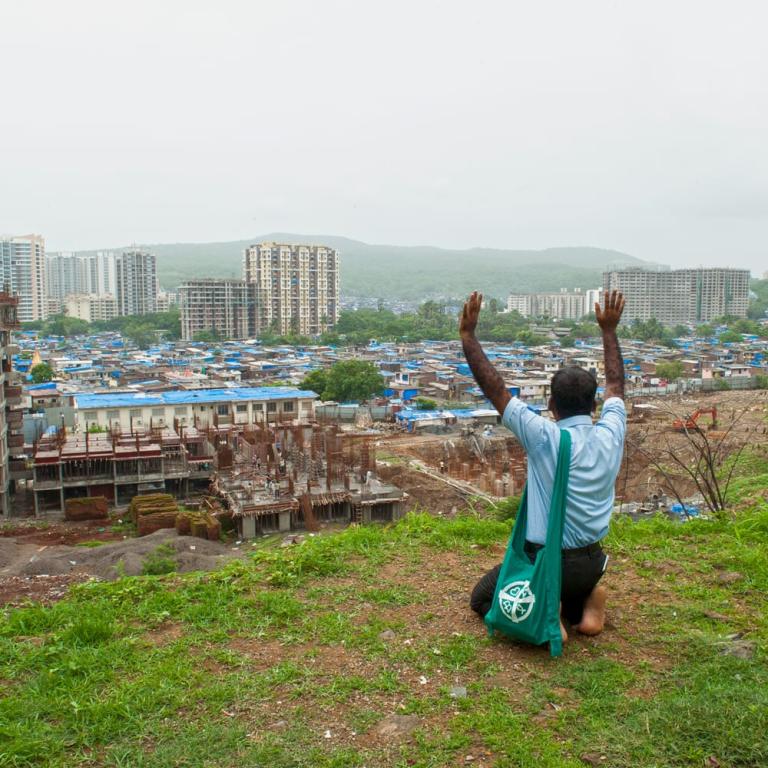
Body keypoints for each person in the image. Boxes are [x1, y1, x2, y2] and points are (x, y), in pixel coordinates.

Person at [461, 289, 627, 639]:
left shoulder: (544, 438)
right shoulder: (611, 432)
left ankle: (546, 612)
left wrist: (468, 336)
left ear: (552, 405)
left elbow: (497, 390)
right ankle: (590, 601)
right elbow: (616, 383)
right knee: (576, 580)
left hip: (549, 565)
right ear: (594, 406)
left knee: (482, 597)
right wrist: (608, 331)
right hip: (592, 564)